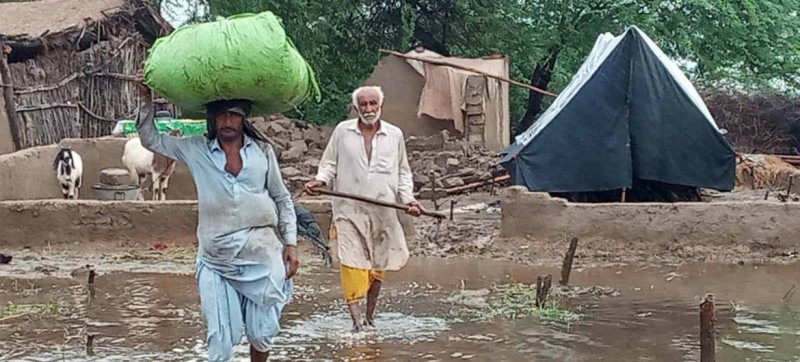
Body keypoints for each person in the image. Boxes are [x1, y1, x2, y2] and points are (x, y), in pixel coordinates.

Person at [134, 69, 299, 362]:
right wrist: (145, 98)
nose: (227, 121)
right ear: (212, 119)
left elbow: (282, 198)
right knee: (220, 342)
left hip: (261, 252)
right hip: (215, 258)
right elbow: (151, 140)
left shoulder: (262, 152)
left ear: (243, 118)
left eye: (233, 115)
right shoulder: (197, 150)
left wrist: (291, 243)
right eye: (220, 115)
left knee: (262, 332)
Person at [304, 86, 423, 332]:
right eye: (364, 105)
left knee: (377, 266)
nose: (369, 109)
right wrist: (320, 180)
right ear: (356, 108)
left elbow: (403, 172)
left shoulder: (394, 135)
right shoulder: (342, 132)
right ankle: (357, 322)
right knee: (351, 262)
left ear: (381, 106)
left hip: (383, 211)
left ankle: (369, 317)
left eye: (373, 104)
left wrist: (409, 199)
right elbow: (329, 165)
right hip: (348, 210)